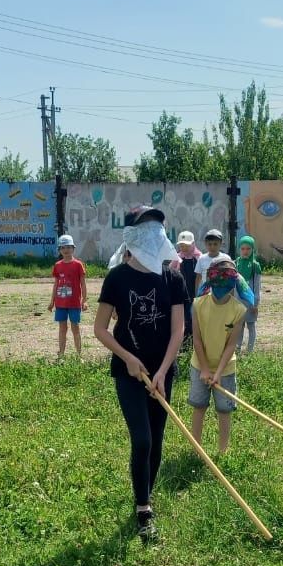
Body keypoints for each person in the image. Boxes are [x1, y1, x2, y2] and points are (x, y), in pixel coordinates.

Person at [94, 206, 185, 541]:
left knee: (157, 441)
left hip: (162, 371)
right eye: (147, 229)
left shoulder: (172, 278)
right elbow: (100, 328)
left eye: (159, 229)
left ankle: (146, 494)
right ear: (132, 236)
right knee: (142, 439)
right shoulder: (117, 278)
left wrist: (162, 371)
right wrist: (128, 359)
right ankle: (142, 508)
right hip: (128, 371)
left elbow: (178, 330)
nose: (155, 235)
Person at [190, 255, 251, 454]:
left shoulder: (239, 310)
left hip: (225, 369)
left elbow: (231, 344)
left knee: (224, 410)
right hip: (200, 366)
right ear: (210, 283)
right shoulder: (198, 305)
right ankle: (196, 450)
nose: (219, 295)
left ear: (233, 286)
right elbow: (197, 340)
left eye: (225, 291)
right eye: (216, 290)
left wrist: (218, 372)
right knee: (198, 406)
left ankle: (222, 452)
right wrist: (206, 369)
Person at [49, 234, 88, 358]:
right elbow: (56, 284)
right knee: (62, 329)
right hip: (60, 304)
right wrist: (52, 301)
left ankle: (79, 355)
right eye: (63, 248)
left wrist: (84, 300)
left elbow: (83, 283)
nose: (66, 250)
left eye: (68, 247)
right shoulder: (57, 265)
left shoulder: (78, 265)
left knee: (75, 328)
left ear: (73, 248)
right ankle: (61, 354)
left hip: (74, 303)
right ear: (60, 250)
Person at [234, 235, 263, 355]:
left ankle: (250, 352)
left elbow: (257, 286)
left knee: (251, 326)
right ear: (239, 249)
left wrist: (255, 303)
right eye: (243, 249)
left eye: (248, 249)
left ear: (252, 250)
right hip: (237, 302)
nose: (245, 251)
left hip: (250, 302)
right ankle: (237, 349)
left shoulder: (255, 265)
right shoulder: (235, 264)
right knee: (239, 327)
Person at [174, 230, 200, 342]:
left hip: (196, 293)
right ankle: (185, 345)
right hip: (182, 294)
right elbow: (171, 272)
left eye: (186, 245)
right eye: (181, 245)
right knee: (184, 319)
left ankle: (195, 343)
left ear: (193, 244)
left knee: (195, 318)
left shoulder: (199, 258)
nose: (184, 248)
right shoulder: (177, 258)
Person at [194, 228, 224, 296]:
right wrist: (196, 294)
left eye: (215, 244)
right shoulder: (201, 259)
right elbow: (198, 278)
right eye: (210, 244)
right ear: (205, 244)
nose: (212, 247)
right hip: (206, 295)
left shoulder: (225, 259)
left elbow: (230, 279)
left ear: (221, 243)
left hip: (221, 294)